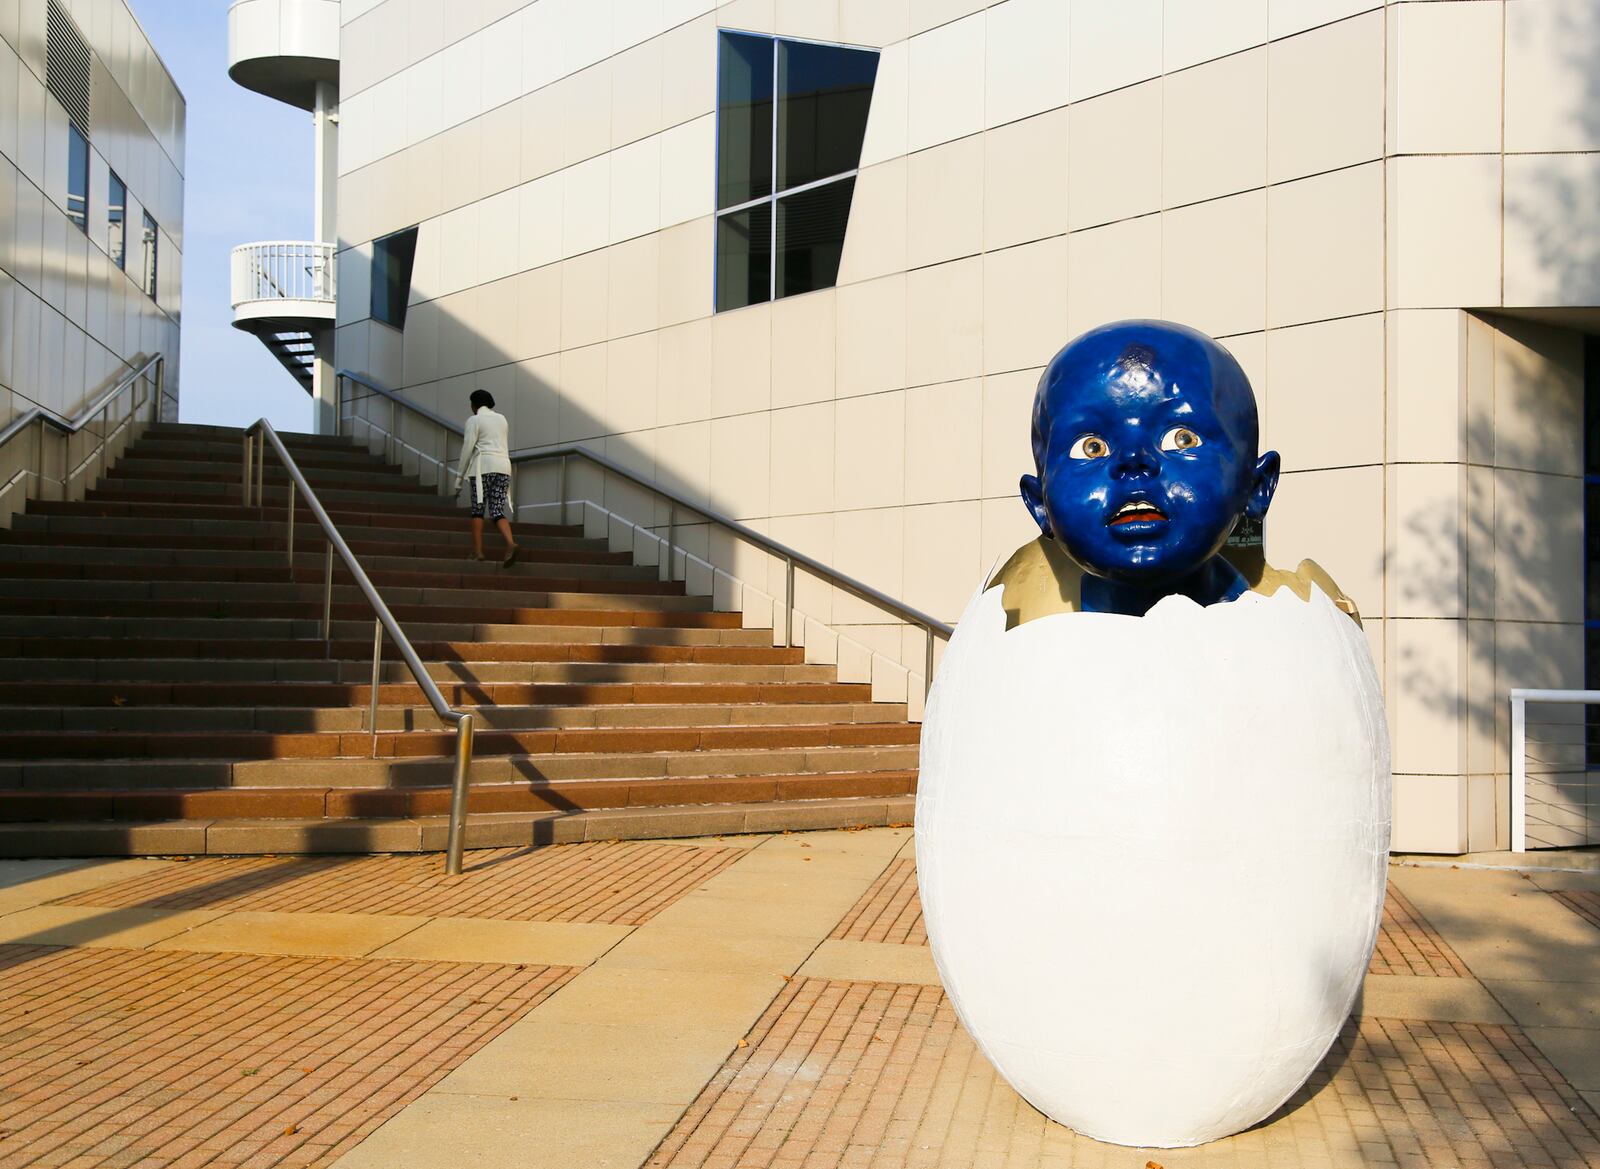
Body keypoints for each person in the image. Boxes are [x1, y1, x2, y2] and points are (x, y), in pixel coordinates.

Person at [454, 389, 520, 566]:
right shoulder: (502, 419)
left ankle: (478, 552)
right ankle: (510, 543)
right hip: (503, 467)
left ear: (474, 404)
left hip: (483, 467)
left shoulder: (474, 420)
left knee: (477, 509)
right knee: (497, 509)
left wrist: (459, 478)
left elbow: (467, 448)